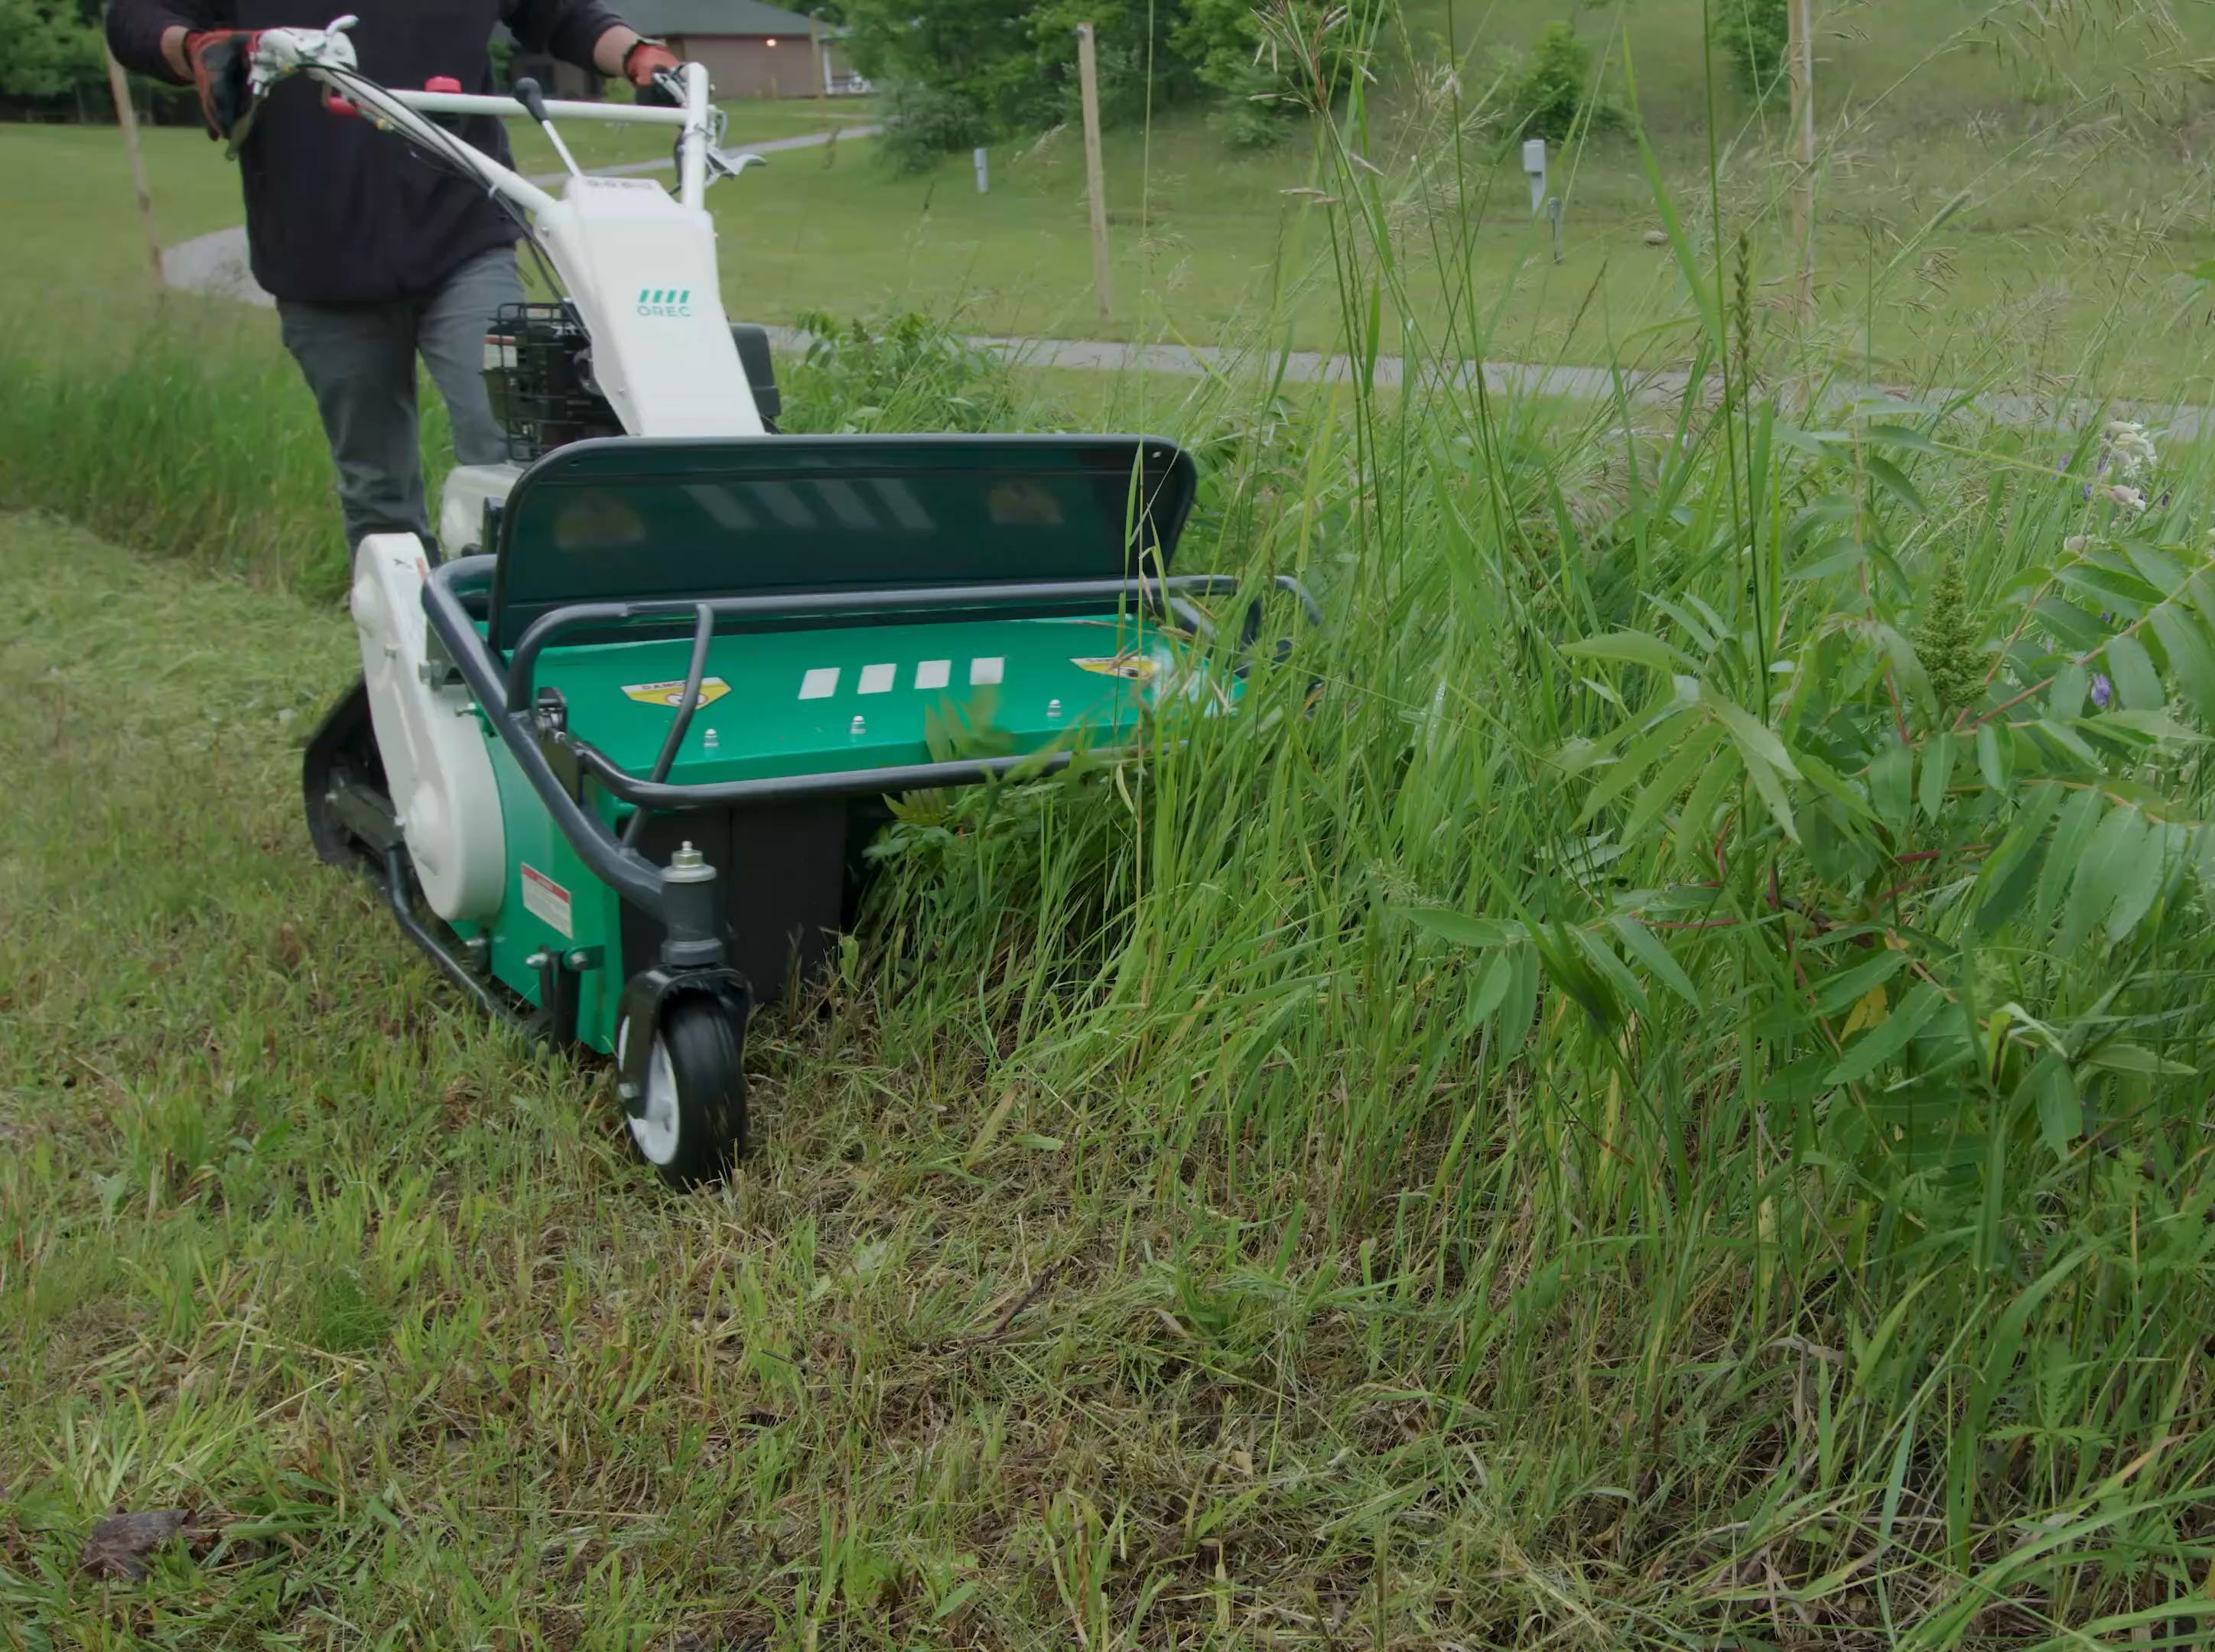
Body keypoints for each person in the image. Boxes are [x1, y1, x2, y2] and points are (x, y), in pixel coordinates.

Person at [106, 2, 680, 551]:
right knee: (377, 492)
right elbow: (134, 18)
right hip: (319, 256)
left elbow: (562, 14)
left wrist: (636, 54)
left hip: (465, 231)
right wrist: (194, 48)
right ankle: (397, 644)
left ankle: (516, 641)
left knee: (515, 456)